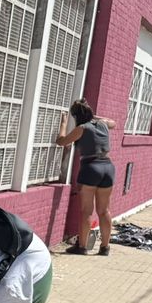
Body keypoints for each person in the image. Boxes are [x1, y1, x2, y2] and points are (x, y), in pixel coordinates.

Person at [56, 99, 117, 256]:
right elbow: (114, 123)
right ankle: (105, 247)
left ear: (76, 116)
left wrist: (63, 123)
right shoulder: (102, 124)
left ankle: (82, 247)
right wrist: (93, 116)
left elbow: (62, 142)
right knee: (104, 210)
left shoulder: (82, 128)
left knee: (86, 211)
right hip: (108, 168)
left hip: (91, 168)